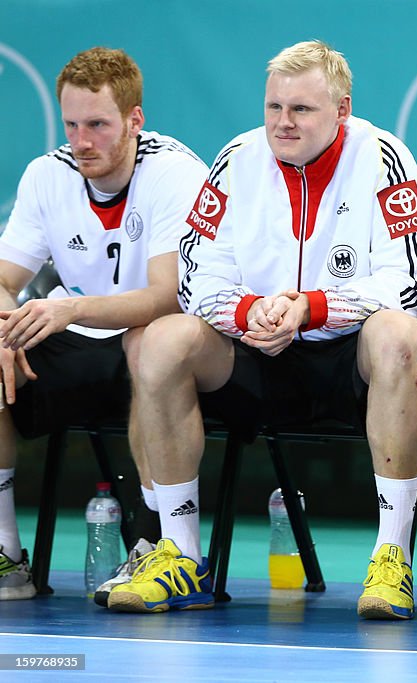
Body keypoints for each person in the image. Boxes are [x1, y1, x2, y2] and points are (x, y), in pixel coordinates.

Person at [106, 40, 417, 618]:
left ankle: (392, 557)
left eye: (302, 110)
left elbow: (411, 280)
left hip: (353, 358)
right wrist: (248, 313)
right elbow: (197, 279)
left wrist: (311, 308)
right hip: (256, 351)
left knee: (395, 334)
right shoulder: (235, 158)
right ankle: (180, 553)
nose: (283, 123)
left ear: (341, 110)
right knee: (163, 339)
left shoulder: (384, 157)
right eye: (274, 108)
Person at [0, 47, 207, 602]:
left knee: (148, 342)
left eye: (97, 124)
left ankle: (155, 543)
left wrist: (70, 308)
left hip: (169, 348)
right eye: (72, 124)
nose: (81, 140)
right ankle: (6, 557)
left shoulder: (174, 172)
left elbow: (166, 297)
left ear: (135, 120)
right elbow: (3, 277)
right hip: (80, 340)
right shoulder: (47, 175)